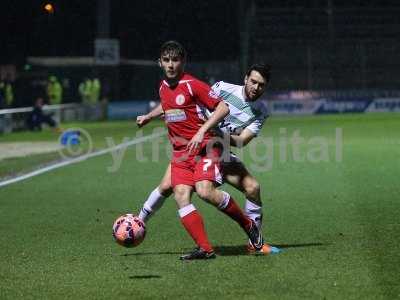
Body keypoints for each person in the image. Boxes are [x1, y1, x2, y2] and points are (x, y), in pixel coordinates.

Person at [136, 63, 281, 255]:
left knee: (252, 188)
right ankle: (137, 223)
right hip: (194, 142)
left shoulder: (260, 111)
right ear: (245, 79)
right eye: (253, 82)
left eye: (261, 85)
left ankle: (254, 242)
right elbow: (183, 101)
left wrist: (218, 132)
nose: (256, 87)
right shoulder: (223, 89)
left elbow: (241, 141)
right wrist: (150, 115)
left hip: (217, 147)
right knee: (166, 186)